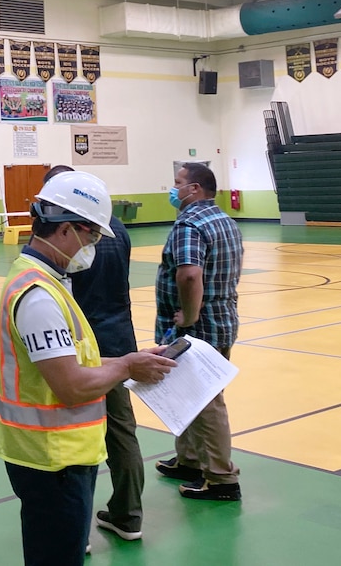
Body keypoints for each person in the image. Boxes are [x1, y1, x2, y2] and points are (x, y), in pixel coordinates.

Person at [0, 170, 176, 566]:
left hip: (55, 456)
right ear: (66, 230)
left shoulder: (45, 279)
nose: (93, 245)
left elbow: (73, 360)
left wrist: (133, 363)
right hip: (53, 459)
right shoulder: (40, 296)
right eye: (92, 235)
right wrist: (126, 363)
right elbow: (72, 385)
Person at [42, 165, 145, 542]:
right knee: (122, 431)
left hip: (80, 343)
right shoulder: (117, 229)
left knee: (72, 436)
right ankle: (128, 514)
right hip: (119, 337)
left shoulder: (67, 239)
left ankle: (76, 532)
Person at [154, 162, 244, 501]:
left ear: (194, 189)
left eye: (177, 183)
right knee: (189, 394)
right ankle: (190, 460)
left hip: (199, 326)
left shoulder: (189, 223)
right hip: (223, 319)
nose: (173, 189)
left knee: (206, 401)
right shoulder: (225, 221)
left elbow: (190, 275)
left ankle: (221, 478)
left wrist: (188, 319)